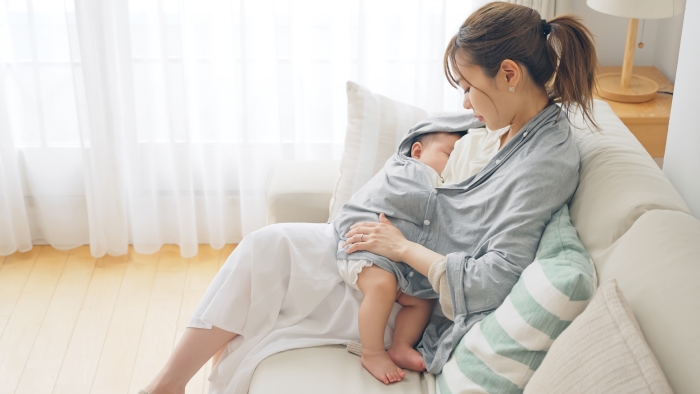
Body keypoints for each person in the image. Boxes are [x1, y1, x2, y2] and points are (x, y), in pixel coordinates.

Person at [141, 2, 598, 393]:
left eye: (468, 86)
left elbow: (495, 279)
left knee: (266, 301)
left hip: (408, 293)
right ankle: (168, 383)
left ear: (510, 74)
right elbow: (422, 159)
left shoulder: (546, 161)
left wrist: (401, 248)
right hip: (384, 253)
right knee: (267, 246)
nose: (464, 103)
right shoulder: (498, 123)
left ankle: (167, 385)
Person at [334, 123, 510, 384]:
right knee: (382, 285)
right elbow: (391, 198)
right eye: (449, 155)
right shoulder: (406, 169)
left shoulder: (447, 186)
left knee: (423, 298)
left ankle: (400, 346)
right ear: (417, 151)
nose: (453, 163)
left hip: (401, 258)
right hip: (366, 241)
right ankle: (372, 353)